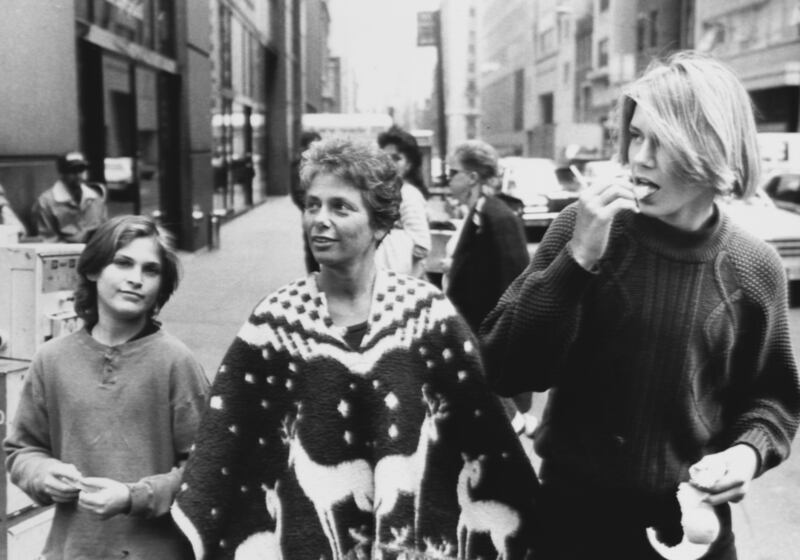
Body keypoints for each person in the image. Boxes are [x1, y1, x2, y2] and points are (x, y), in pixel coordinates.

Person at [480, 51, 800, 559]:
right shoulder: (580, 227)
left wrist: (745, 454)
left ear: (711, 147)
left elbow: (772, 402)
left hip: (692, 530)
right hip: (571, 525)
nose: (639, 157)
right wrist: (579, 256)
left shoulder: (754, 267)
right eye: (635, 135)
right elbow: (504, 366)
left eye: (661, 141)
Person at [171, 137, 539, 559]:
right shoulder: (276, 321)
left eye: (340, 207)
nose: (319, 221)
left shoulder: (425, 313)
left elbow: (484, 432)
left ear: (380, 224)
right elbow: (229, 453)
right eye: (312, 205)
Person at [4, 215, 210, 559]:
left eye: (151, 270)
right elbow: (22, 450)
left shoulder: (176, 362)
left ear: (162, 284)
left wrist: (134, 496)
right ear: (94, 269)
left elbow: (206, 468)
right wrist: (43, 473)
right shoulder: (51, 359)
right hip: (73, 549)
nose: (136, 279)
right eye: (123, 263)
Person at [443, 140, 536, 435]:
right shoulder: (478, 212)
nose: (448, 178)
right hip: (473, 346)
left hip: (490, 354)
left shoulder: (498, 217)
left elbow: (516, 287)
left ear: (471, 177)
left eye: (452, 172)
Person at [376, 125, 432, 277]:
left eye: (396, 158)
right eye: (384, 157)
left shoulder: (409, 195)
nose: (388, 163)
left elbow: (421, 247)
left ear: (409, 164)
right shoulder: (377, 192)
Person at [33, 151, 108, 243]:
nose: (78, 175)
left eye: (81, 170)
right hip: (66, 253)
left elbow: (105, 231)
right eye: (72, 171)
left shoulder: (95, 198)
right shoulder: (46, 202)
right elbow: (48, 240)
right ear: (62, 174)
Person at [290, 131, 323, 272]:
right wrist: (311, 208)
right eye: (313, 146)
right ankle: (314, 279)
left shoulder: (321, 164)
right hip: (311, 212)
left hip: (323, 209)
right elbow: (297, 193)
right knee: (312, 247)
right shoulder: (299, 165)